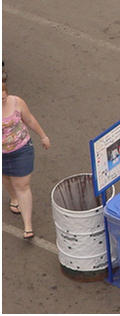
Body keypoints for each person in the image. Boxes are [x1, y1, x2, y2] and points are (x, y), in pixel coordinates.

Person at [2, 71, 50, 241]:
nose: (2, 98)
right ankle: (14, 198)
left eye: (4, 94)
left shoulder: (17, 102)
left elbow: (29, 120)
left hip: (22, 150)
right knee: (6, 178)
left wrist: (43, 136)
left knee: (22, 184)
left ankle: (27, 226)